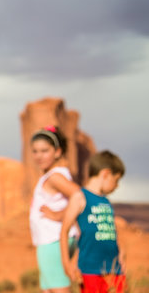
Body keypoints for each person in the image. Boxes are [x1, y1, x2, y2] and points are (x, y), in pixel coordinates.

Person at [60, 150, 126, 293]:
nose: (117, 186)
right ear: (106, 174)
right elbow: (64, 230)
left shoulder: (106, 201)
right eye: (116, 180)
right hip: (90, 269)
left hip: (114, 269)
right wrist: (66, 263)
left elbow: (111, 230)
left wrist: (120, 253)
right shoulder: (80, 197)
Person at [29, 125, 80, 293]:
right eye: (35, 151)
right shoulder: (53, 175)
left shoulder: (55, 177)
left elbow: (80, 196)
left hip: (53, 241)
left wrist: (59, 215)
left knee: (59, 289)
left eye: (44, 151)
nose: (39, 156)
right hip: (51, 240)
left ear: (57, 152)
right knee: (49, 289)